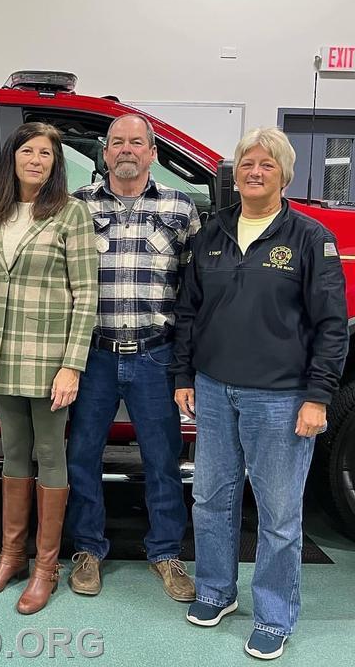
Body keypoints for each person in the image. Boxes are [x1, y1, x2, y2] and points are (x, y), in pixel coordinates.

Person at [171, 127, 347, 660]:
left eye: (266, 165)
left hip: (282, 398)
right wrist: (183, 377)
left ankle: (274, 614)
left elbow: (332, 325)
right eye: (247, 163)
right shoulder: (212, 235)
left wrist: (318, 397)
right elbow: (188, 313)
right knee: (210, 499)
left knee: (277, 512)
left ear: (284, 175)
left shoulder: (310, 238)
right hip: (214, 389)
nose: (254, 172)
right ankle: (216, 592)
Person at [68, 113, 200, 601]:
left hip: (155, 355)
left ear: (152, 153)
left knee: (163, 459)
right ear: (104, 153)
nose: (126, 149)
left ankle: (166, 553)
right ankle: (87, 549)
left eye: (136, 142)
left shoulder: (181, 208)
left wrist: (187, 360)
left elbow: (192, 292)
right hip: (93, 355)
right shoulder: (76, 207)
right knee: (82, 455)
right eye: (117, 142)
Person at [0, 122, 97, 615]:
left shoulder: (71, 214)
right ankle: (11, 558)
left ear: (55, 163)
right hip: (4, 355)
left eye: (46, 153)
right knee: (12, 454)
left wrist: (72, 365)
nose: (36, 160)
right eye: (28, 150)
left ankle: (45, 568)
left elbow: (87, 294)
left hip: (50, 359)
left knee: (50, 453)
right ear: (14, 156)